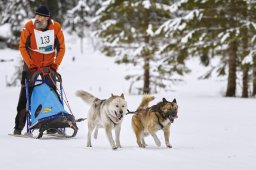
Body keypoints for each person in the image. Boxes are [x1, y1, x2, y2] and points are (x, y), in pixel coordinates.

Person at [13, 5, 65, 135]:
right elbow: (22, 47)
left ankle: (53, 124)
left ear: (47, 18)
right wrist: (30, 64)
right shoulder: (29, 26)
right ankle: (18, 127)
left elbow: (62, 48)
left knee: (51, 93)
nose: (37, 18)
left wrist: (55, 65)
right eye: (36, 15)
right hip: (31, 66)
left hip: (49, 66)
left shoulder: (56, 27)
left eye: (40, 16)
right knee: (25, 95)